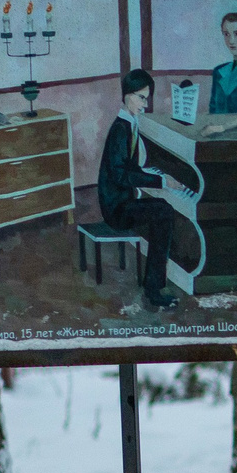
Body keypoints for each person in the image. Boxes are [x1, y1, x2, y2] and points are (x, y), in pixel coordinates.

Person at [98, 68, 179, 309]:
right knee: (163, 213)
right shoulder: (120, 129)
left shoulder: (128, 123)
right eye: (141, 98)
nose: (145, 104)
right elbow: (122, 175)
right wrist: (160, 181)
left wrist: (152, 175)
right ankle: (153, 289)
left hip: (122, 201)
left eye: (147, 98)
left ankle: (153, 283)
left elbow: (128, 169)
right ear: (127, 96)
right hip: (116, 209)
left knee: (162, 210)